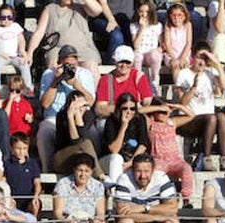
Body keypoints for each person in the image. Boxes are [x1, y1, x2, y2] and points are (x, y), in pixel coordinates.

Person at [34, 44, 97, 172]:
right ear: (59, 62)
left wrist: (75, 84)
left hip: (79, 115)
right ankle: (47, 170)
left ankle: (93, 169)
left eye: (72, 62)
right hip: (54, 117)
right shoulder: (49, 74)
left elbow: (90, 101)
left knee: (93, 132)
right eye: (66, 63)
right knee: (44, 130)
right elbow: (45, 104)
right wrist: (56, 80)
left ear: (77, 62)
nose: (69, 66)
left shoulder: (84, 74)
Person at [113, 154, 181, 223]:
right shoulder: (124, 179)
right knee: (126, 222)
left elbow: (173, 208)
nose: (142, 176)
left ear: (153, 170)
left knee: (173, 221)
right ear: (132, 170)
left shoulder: (161, 178)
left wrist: (144, 208)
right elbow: (123, 214)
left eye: (146, 171)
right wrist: (156, 217)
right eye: (138, 171)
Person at [176, 43, 225, 172]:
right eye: (200, 57)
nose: (202, 62)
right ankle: (207, 158)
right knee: (212, 118)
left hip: (209, 120)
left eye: (205, 58)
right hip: (189, 119)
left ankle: (224, 159)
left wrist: (217, 65)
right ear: (193, 57)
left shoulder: (210, 73)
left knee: (221, 117)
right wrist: (193, 87)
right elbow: (182, 102)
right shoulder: (183, 73)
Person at [49, 154, 108, 223]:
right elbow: (57, 213)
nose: (83, 174)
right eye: (80, 170)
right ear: (74, 170)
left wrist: (94, 222)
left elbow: (101, 213)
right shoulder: (63, 184)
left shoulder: (98, 186)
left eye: (87, 171)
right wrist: (67, 222)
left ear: (91, 171)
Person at [26, 0, 103, 78]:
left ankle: (90, 90)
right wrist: (30, 53)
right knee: (53, 69)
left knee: (92, 67)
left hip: (82, 49)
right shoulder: (50, 9)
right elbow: (39, 32)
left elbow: (97, 11)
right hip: (57, 48)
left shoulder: (82, 6)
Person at [99, 91, 151, 182]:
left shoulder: (140, 119)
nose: (129, 111)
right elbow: (114, 150)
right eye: (125, 108)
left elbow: (143, 144)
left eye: (132, 108)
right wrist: (123, 126)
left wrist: (132, 162)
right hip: (110, 160)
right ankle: (116, 191)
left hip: (132, 157)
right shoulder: (111, 121)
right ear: (119, 109)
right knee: (117, 159)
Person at [0, 3, 33, 95]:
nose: (6, 20)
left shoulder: (15, 26)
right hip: (2, 56)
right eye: (3, 18)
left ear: (13, 17)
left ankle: (28, 88)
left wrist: (22, 50)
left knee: (24, 65)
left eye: (9, 17)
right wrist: (0, 53)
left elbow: (21, 39)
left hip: (15, 55)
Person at [3, 131, 42, 218]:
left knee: (36, 204)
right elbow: (4, 181)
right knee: (8, 206)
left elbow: (37, 183)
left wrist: (35, 196)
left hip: (28, 199)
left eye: (24, 148)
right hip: (13, 199)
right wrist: (8, 197)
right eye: (18, 148)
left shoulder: (32, 164)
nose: (21, 151)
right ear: (12, 149)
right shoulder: (7, 164)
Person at [129, 0, 163, 94]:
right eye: (141, 11)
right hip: (140, 53)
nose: (144, 14)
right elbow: (136, 45)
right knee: (137, 55)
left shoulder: (157, 25)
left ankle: (154, 79)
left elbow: (162, 43)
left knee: (155, 54)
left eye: (147, 12)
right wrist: (142, 28)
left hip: (150, 54)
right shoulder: (134, 26)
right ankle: (137, 82)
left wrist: (160, 48)